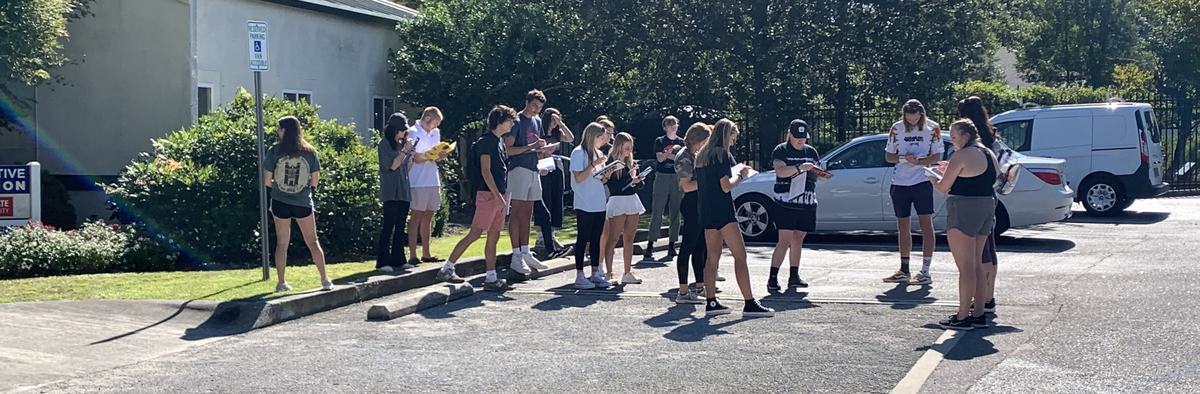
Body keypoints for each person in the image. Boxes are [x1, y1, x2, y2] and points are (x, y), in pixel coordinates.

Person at [696, 119, 775, 317]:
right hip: (723, 210)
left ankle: (711, 301)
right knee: (740, 255)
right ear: (726, 134)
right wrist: (742, 175)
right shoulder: (721, 154)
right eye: (733, 136)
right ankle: (749, 302)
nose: (734, 140)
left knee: (712, 257)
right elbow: (726, 186)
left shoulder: (702, 156)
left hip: (706, 210)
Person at [435, 106, 518, 291]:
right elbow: (485, 170)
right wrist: (497, 196)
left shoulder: (499, 142)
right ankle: (447, 267)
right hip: (488, 195)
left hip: (499, 195)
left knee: (494, 236)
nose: (512, 123)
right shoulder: (486, 142)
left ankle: (491, 277)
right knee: (475, 233)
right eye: (509, 120)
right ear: (500, 121)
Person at [929, 119, 997, 330]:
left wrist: (933, 178)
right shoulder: (988, 152)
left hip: (964, 208)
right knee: (976, 263)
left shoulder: (961, 155)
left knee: (965, 267)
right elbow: (977, 175)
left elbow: (943, 187)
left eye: (955, 136)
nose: (953, 140)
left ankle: (962, 316)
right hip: (987, 205)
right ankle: (978, 313)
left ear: (966, 135)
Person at [263, 116, 332, 293]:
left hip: (280, 201)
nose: (277, 131)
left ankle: (281, 282)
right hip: (303, 202)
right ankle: (325, 280)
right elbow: (315, 180)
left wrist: (278, 187)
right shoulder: (310, 152)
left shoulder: (274, 151)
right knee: (313, 241)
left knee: (282, 243)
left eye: (279, 128)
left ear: (284, 130)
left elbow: (267, 180)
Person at [957, 96, 1010, 316]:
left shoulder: (970, 142)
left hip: (971, 198)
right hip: (990, 196)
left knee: (978, 251)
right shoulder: (991, 137)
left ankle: (979, 299)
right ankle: (989, 295)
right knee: (990, 245)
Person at [883, 99, 943, 285]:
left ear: (921, 115)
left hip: (922, 180)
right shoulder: (897, 128)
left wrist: (920, 161)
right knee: (903, 225)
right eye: (909, 119)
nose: (912, 122)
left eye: (915, 119)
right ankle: (904, 268)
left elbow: (938, 156)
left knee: (926, 224)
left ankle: (925, 270)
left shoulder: (933, 128)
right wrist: (903, 158)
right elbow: (888, 156)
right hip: (900, 182)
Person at [768, 119, 829, 291]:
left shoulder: (811, 151)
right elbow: (780, 171)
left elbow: (816, 173)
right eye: (797, 138)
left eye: (803, 138)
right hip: (786, 201)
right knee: (784, 240)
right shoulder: (781, 150)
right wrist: (800, 167)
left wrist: (819, 173)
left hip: (806, 200)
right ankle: (773, 276)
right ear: (789, 135)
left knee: (798, 239)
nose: (800, 141)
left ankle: (794, 275)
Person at [503, 90, 552, 276]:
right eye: (534, 106)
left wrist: (543, 154)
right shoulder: (516, 121)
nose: (536, 110)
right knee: (516, 213)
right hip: (518, 170)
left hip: (533, 170)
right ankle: (516, 255)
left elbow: (536, 147)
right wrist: (532, 147)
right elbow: (508, 149)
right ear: (527, 102)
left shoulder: (537, 121)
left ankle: (525, 251)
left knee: (528, 213)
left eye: (539, 107)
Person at [569, 122, 613, 289]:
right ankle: (579, 274)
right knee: (583, 238)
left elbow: (600, 179)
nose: (603, 141)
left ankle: (595, 272)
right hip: (584, 201)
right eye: (601, 137)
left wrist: (606, 173)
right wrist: (594, 165)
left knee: (596, 238)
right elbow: (579, 178)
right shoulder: (578, 152)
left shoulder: (598, 152)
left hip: (598, 201)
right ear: (592, 136)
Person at [672, 122, 711, 304]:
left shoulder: (695, 154)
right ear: (699, 140)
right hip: (691, 203)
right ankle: (683, 290)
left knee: (700, 246)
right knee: (687, 246)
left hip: (700, 202)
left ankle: (700, 286)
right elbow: (687, 185)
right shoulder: (684, 156)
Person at [407, 107, 449, 267]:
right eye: (435, 122)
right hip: (417, 180)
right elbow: (415, 157)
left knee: (429, 215)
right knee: (415, 215)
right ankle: (412, 253)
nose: (436, 126)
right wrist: (429, 155)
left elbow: (435, 153)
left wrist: (441, 155)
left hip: (432, 178)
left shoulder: (435, 133)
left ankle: (426, 252)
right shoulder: (413, 131)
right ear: (427, 118)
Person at [603, 132, 647, 285]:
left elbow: (637, 186)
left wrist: (637, 180)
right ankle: (608, 272)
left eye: (631, 147)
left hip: (631, 200)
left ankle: (627, 272)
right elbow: (613, 186)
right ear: (619, 146)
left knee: (629, 238)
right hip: (617, 201)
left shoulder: (631, 162)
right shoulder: (611, 162)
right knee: (613, 238)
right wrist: (630, 180)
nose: (629, 150)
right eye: (627, 147)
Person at [533, 107, 574, 258]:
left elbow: (570, 138)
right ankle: (541, 237)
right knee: (545, 200)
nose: (555, 122)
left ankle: (552, 234)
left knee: (557, 200)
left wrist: (561, 124)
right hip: (543, 166)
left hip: (556, 167)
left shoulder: (558, 134)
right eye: (553, 119)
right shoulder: (539, 131)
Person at [376, 113, 414, 273]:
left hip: (403, 190)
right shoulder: (384, 144)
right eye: (402, 130)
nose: (404, 134)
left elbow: (407, 167)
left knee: (400, 226)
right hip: (391, 191)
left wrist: (410, 154)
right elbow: (392, 165)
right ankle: (382, 261)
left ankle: (399, 259)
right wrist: (405, 151)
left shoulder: (401, 145)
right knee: (388, 225)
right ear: (394, 130)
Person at [645, 116, 685, 260]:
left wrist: (668, 155)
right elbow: (660, 159)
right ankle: (650, 244)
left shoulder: (682, 142)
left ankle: (672, 245)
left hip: (677, 177)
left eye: (674, 123)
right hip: (662, 176)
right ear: (664, 127)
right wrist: (670, 153)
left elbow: (680, 160)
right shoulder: (660, 141)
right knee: (658, 210)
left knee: (676, 211)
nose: (672, 126)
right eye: (669, 124)